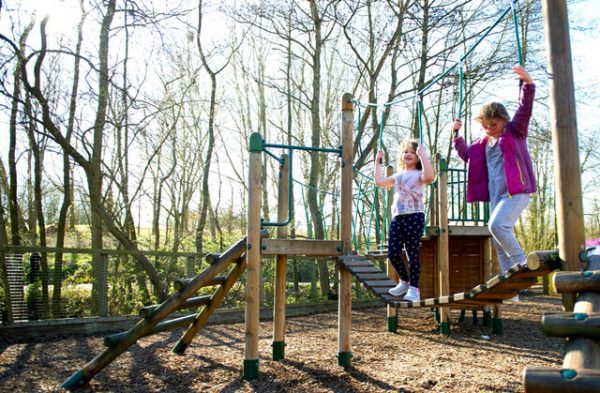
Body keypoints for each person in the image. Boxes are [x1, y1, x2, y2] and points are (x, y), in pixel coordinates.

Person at [452, 65, 536, 288]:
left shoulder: (514, 132)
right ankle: (512, 284)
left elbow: (524, 109)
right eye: (486, 125)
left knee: (496, 226)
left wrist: (527, 85)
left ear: (504, 121)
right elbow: (465, 154)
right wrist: (456, 135)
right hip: (496, 195)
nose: (490, 128)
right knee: (499, 240)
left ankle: (521, 263)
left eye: (494, 124)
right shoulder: (481, 144)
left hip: (516, 191)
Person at [374, 140, 435, 301]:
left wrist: (423, 157)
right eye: (405, 151)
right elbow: (379, 182)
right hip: (398, 217)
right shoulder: (398, 175)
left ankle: (414, 289)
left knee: (412, 253)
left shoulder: (419, 175)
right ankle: (404, 281)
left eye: (412, 152)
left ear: (417, 156)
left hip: (414, 216)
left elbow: (429, 177)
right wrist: (377, 163)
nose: (408, 154)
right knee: (393, 252)